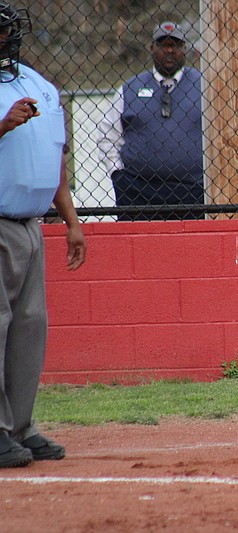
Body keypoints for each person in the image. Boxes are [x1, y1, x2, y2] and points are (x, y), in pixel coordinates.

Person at [0, 3, 86, 468]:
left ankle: (20, 427)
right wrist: (2, 125)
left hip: (31, 224)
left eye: (8, 30)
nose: (6, 37)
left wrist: (71, 222)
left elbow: (54, 160)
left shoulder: (38, 84)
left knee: (30, 327)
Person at [97, 21, 203, 221]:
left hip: (194, 191)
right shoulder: (130, 88)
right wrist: (117, 174)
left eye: (176, 45)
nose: (170, 50)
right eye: (164, 45)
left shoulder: (205, 86)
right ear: (152, 48)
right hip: (139, 192)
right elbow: (107, 135)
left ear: (184, 49)